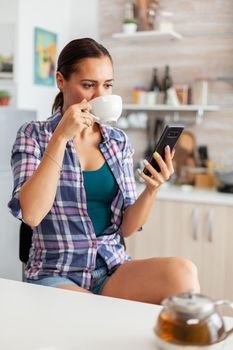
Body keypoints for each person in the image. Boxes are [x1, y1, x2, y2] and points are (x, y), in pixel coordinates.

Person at [8, 38, 199, 304]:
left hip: (111, 269)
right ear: (61, 81)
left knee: (182, 273)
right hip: (56, 273)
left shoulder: (118, 141)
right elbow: (32, 213)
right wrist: (61, 137)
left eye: (107, 85)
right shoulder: (34, 135)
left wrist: (152, 188)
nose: (100, 96)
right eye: (88, 85)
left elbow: (128, 227)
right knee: (94, 313)